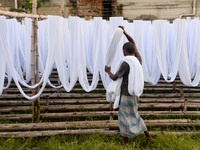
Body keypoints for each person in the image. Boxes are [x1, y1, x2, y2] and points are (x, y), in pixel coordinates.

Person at [105, 26, 152, 145]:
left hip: (126, 95)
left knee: (123, 118)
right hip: (135, 94)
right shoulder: (138, 59)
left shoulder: (126, 63)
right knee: (135, 115)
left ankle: (125, 143)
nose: (122, 53)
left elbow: (115, 77)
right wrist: (124, 32)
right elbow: (133, 42)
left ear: (125, 51)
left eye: (123, 51)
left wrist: (108, 71)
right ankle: (148, 136)